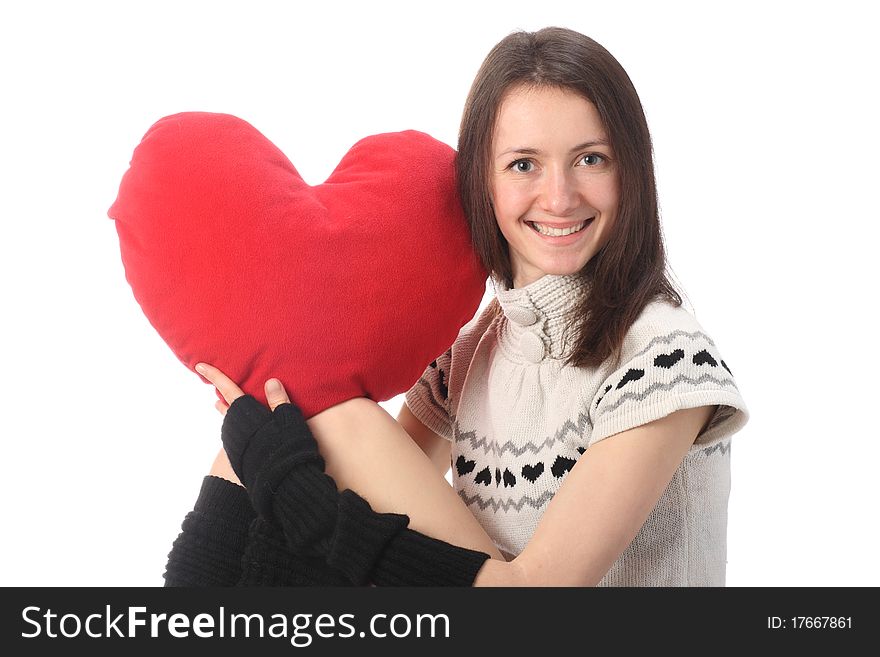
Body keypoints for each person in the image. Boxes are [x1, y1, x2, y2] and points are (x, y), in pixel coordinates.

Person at [164, 26, 748, 587]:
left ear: (632, 170)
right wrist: (271, 448)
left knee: (331, 420)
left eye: (591, 158)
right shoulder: (477, 352)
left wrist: (296, 488)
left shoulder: (666, 358)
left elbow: (532, 599)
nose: (560, 196)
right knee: (294, 415)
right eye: (524, 164)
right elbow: (361, 539)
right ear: (481, 181)